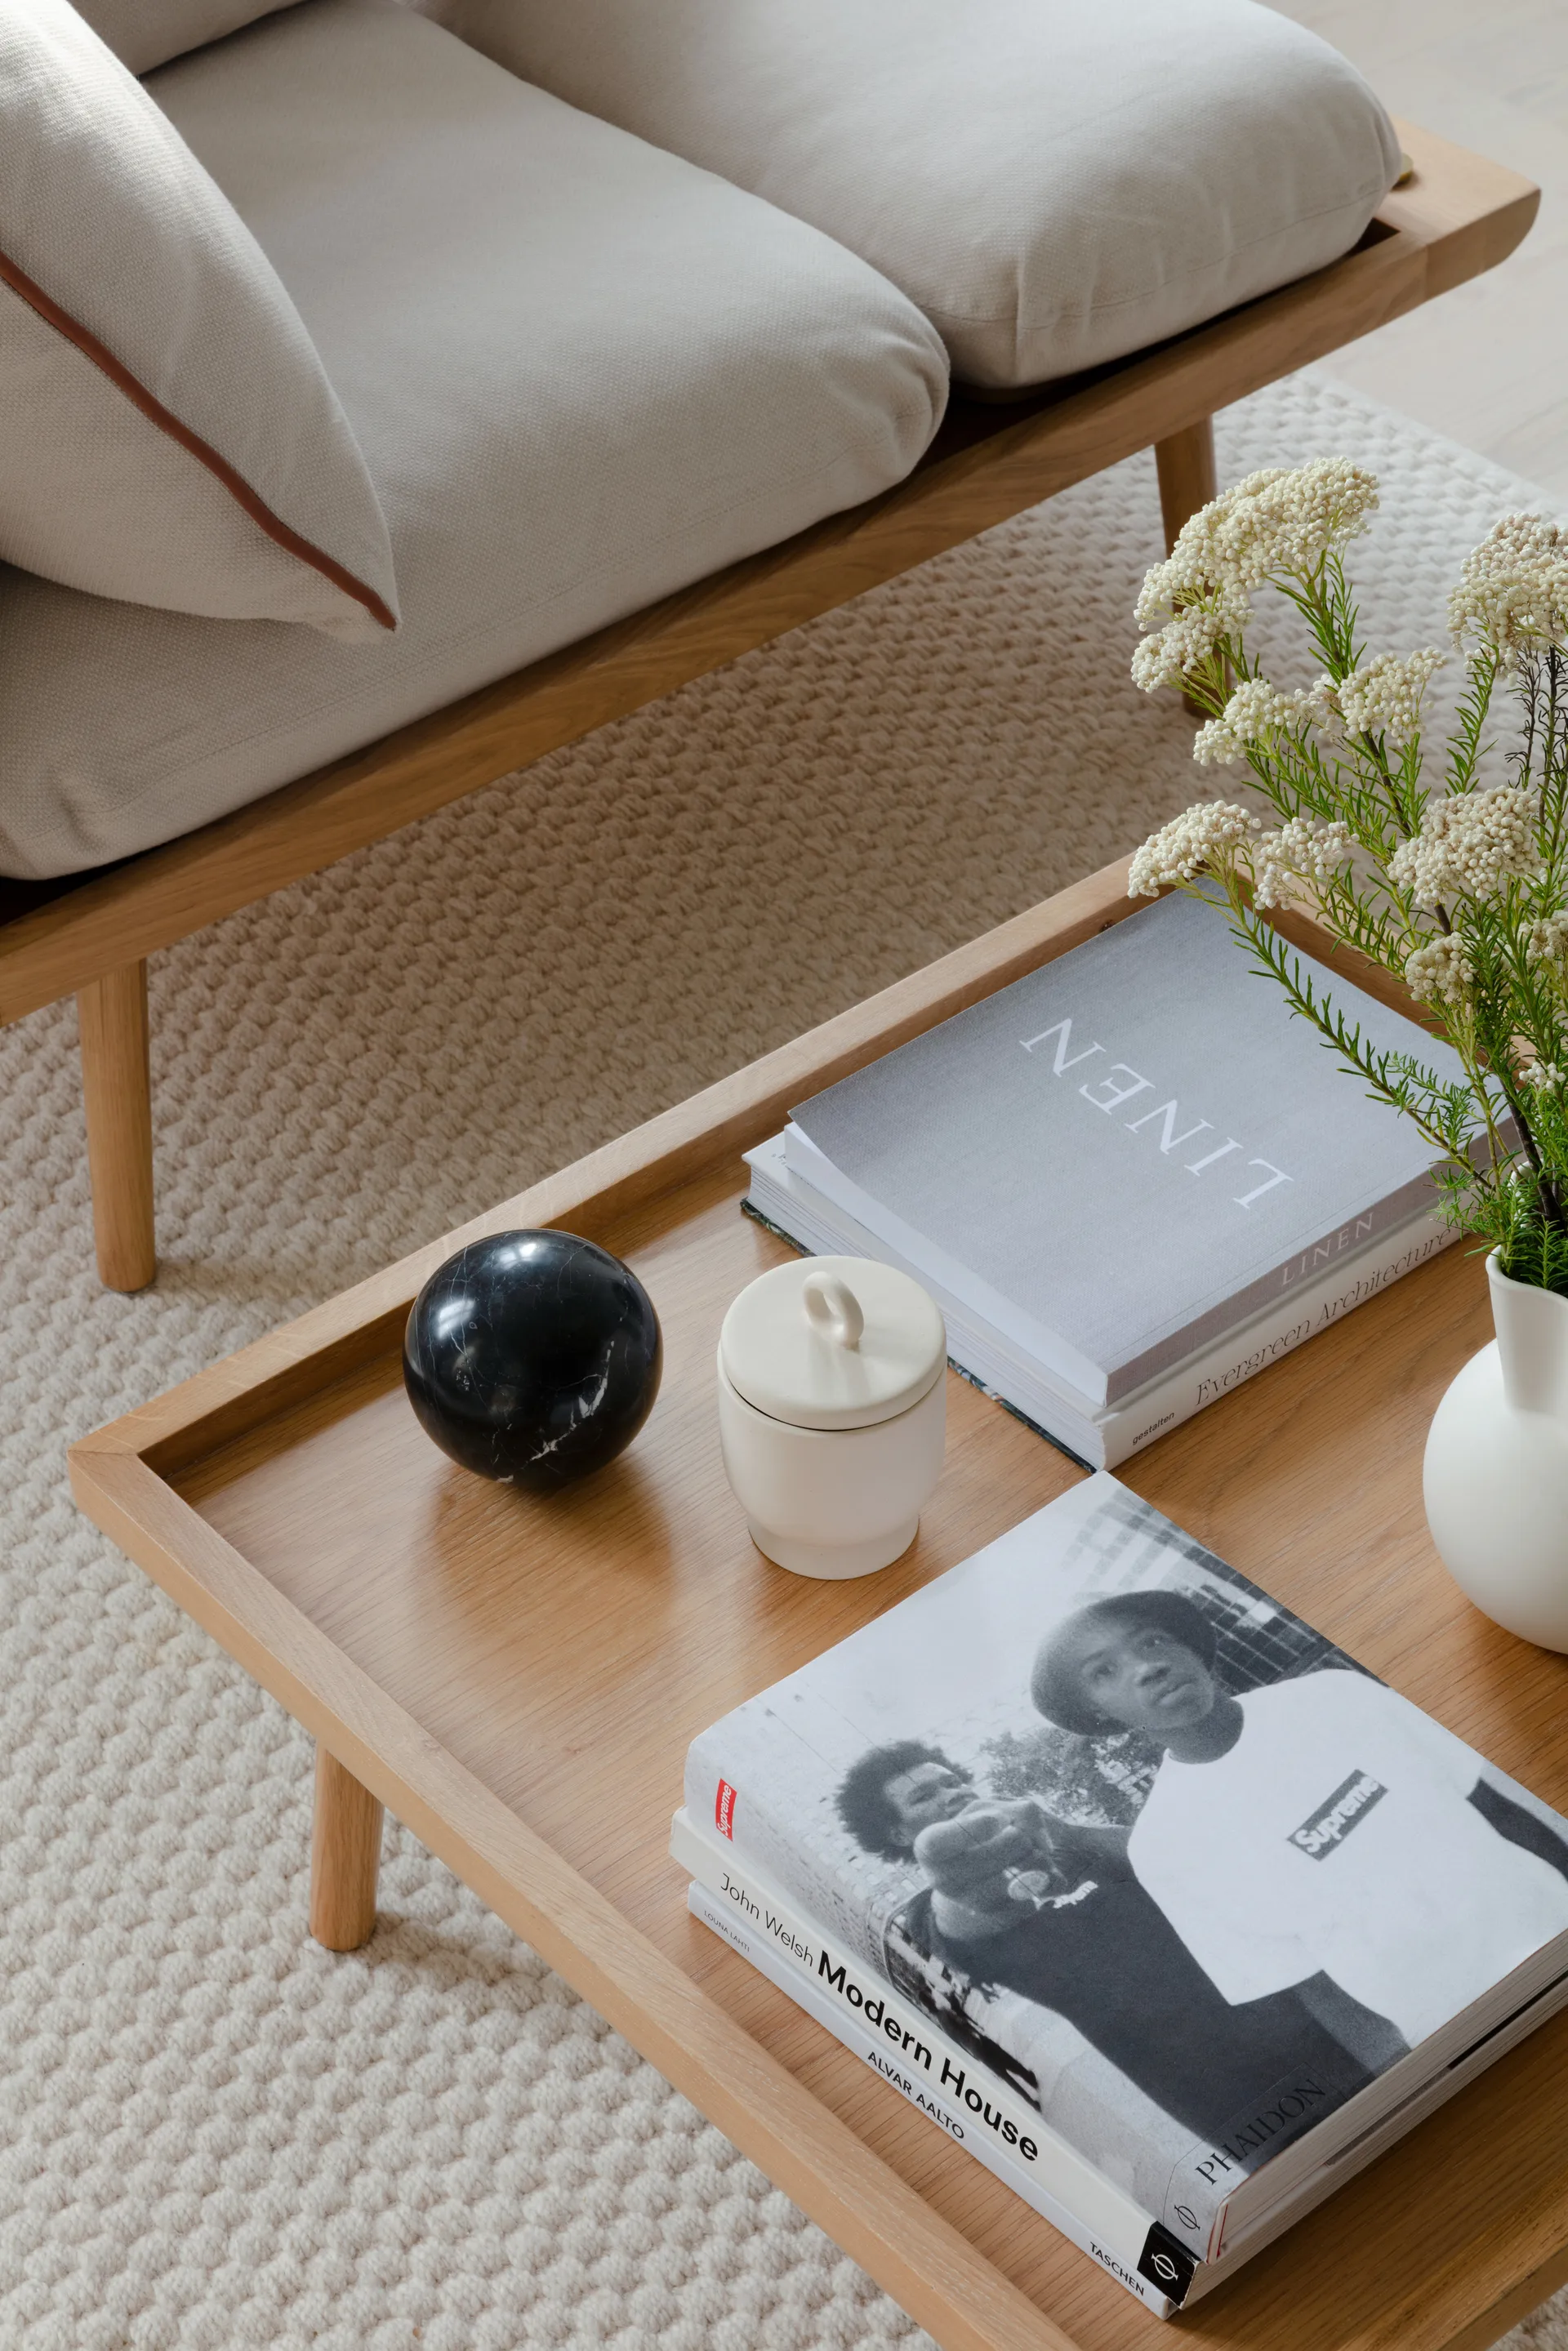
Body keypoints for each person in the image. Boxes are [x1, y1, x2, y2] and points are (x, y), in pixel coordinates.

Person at [1031, 1589, 1568, 2052]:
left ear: (1187, 1645)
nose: (1147, 1666)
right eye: (1104, 1671)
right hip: (1456, 2024)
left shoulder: (1335, 1695)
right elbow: (1308, 1988)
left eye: (1151, 1641)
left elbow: (1501, 1807)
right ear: (1098, 1711)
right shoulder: (1162, 1844)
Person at [835, 1739, 1375, 2148]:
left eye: (950, 1779)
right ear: (899, 1836)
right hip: (1237, 2099)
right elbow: (965, 1921)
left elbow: (1165, 1860)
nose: (952, 1792)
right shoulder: (933, 1917)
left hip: (1327, 2026)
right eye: (925, 1796)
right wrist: (962, 1885)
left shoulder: (1065, 1842)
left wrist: (1064, 1833)